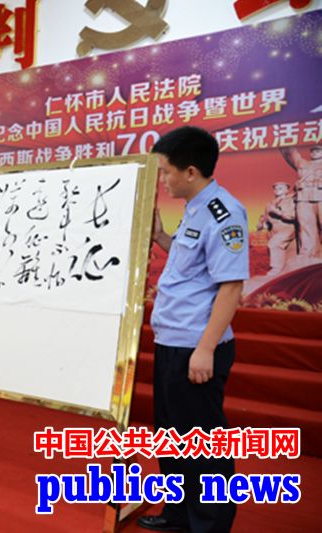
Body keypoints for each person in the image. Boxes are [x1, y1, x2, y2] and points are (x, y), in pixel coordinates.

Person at [138, 127, 248, 533]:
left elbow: (230, 286)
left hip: (195, 347)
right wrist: (160, 237)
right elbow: (192, 265)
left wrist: (205, 349)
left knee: (204, 445)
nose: (163, 180)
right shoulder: (196, 207)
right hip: (173, 340)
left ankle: (209, 526)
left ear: (189, 171)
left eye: (166, 172)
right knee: (172, 437)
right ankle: (179, 514)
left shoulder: (225, 212)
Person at [281, 145, 322, 259]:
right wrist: (283, 139)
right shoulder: (303, 163)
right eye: (313, 151)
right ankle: (307, 253)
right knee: (305, 225)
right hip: (303, 197)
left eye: (318, 150)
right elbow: (291, 153)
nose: (315, 152)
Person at [256, 181, 296, 275]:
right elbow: (266, 219)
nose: (277, 190)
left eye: (280, 188)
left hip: (287, 228)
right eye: (275, 188)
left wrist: (277, 212)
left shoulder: (291, 201)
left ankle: (277, 268)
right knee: (274, 248)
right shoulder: (270, 203)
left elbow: (292, 216)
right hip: (273, 231)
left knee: (274, 244)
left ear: (286, 190)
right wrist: (261, 223)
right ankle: (282, 271)